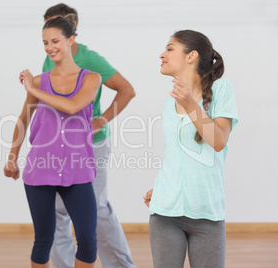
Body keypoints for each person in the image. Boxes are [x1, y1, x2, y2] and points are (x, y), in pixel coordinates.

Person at [42, 4, 136, 268]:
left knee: (96, 210)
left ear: (71, 32)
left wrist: (99, 121)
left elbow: (126, 90)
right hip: (59, 149)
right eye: (46, 33)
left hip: (91, 147)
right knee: (58, 213)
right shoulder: (49, 58)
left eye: (56, 30)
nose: (50, 40)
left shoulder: (90, 58)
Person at [5, 16, 101, 268]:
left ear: (71, 40)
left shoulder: (91, 79)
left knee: (88, 240)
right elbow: (22, 121)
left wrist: (32, 89)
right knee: (43, 238)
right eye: (45, 42)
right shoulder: (38, 81)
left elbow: (72, 106)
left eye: (55, 40)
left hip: (78, 169)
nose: (50, 47)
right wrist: (12, 158)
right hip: (39, 168)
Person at [143, 30, 238, 268]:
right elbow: (176, 154)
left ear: (191, 55)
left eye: (170, 49)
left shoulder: (221, 90)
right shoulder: (170, 100)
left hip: (208, 213)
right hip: (166, 213)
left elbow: (218, 141)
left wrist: (190, 103)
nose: (161, 54)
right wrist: (165, 187)